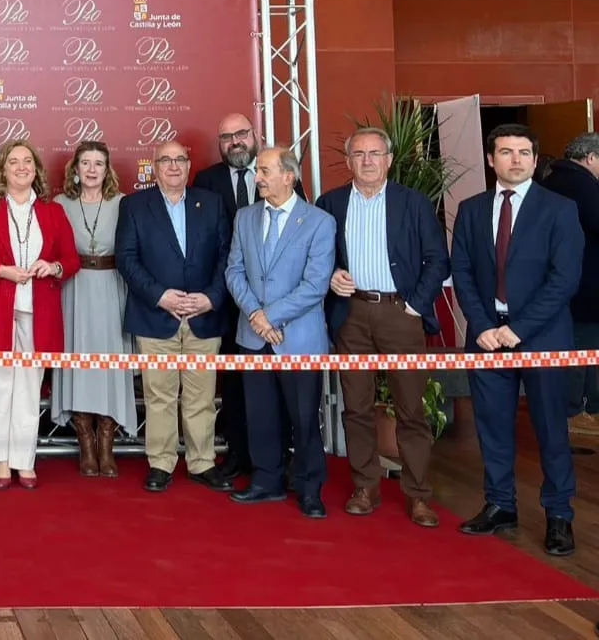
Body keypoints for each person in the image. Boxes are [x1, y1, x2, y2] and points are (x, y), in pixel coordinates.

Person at [450, 123, 581, 556]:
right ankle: (500, 505)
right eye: (506, 152)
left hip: (542, 336)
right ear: (491, 160)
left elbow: (565, 279)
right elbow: (463, 273)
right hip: (487, 337)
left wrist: (518, 329)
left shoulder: (560, 209)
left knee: (551, 429)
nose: (516, 160)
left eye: (524, 152)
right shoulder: (471, 209)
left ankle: (558, 515)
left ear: (536, 159)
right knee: (492, 427)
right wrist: (482, 325)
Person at [316, 127, 450, 527]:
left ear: (389, 160)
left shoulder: (414, 203)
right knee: (356, 408)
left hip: (399, 314)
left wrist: (415, 305)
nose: (368, 161)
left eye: (375, 153)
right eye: (359, 154)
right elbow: (317, 256)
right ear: (348, 161)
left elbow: (437, 259)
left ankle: (418, 494)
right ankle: (365, 487)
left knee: (411, 409)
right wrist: (331, 275)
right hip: (351, 315)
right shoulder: (331, 203)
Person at [0, 139, 79, 489]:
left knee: (29, 386)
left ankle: (24, 460)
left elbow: (71, 259)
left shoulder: (52, 210)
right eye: (14, 161)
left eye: (28, 161)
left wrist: (53, 266)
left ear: (36, 169)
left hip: (38, 310)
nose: (22, 167)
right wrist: (1, 271)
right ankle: (0, 459)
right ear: (2, 169)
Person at [193, 113, 306, 481]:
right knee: (236, 383)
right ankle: (239, 453)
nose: (235, 142)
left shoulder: (283, 177)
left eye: (241, 133)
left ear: (254, 135)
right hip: (227, 301)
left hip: (276, 308)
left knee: (280, 384)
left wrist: (269, 312)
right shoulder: (206, 181)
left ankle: (281, 457)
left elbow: (298, 240)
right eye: (226, 137)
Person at [224, 147, 334, 518]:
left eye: (264, 171)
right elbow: (234, 271)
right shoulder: (245, 217)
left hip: (298, 338)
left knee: (304, 418)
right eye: (258, 171)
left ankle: (309, 488)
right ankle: (266, 480)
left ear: (289, 176)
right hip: (253, 336)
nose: (257, 178)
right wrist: (256, 315)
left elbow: (315, 285)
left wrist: (270, 316)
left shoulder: (319, 222)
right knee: (261, 415)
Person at [116, 140, 232, 493]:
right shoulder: (134, 205)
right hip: (156, 316)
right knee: (159, 395)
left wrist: (211, 298)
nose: (173, 166)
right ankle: (161, 462)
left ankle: (202, 462)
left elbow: (227, 256)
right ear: (154, 167)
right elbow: (127, 259)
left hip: (203, 315)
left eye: (179, 159)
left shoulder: (211, 203)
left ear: (188, 165)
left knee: (201, 396)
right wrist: (160, 296)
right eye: (165, 160)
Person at [52, 141, 134, 477]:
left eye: (98, 163)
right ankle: (86, 443)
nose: (91, 169)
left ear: (107, 169)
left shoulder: (123, 203)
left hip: (112, 287)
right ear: (75, 168)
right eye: (85, 163)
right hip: (73, 289)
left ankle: (106, 445)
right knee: (77, 361)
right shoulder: (60, 204)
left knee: (110, 363)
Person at [536, 132, 599, 435]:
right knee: (584, 346)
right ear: (591, 157)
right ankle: (578, 410)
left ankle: (580, 409)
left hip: (562, 282)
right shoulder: (582, 185)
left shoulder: (551, 180)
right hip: (586, 283)